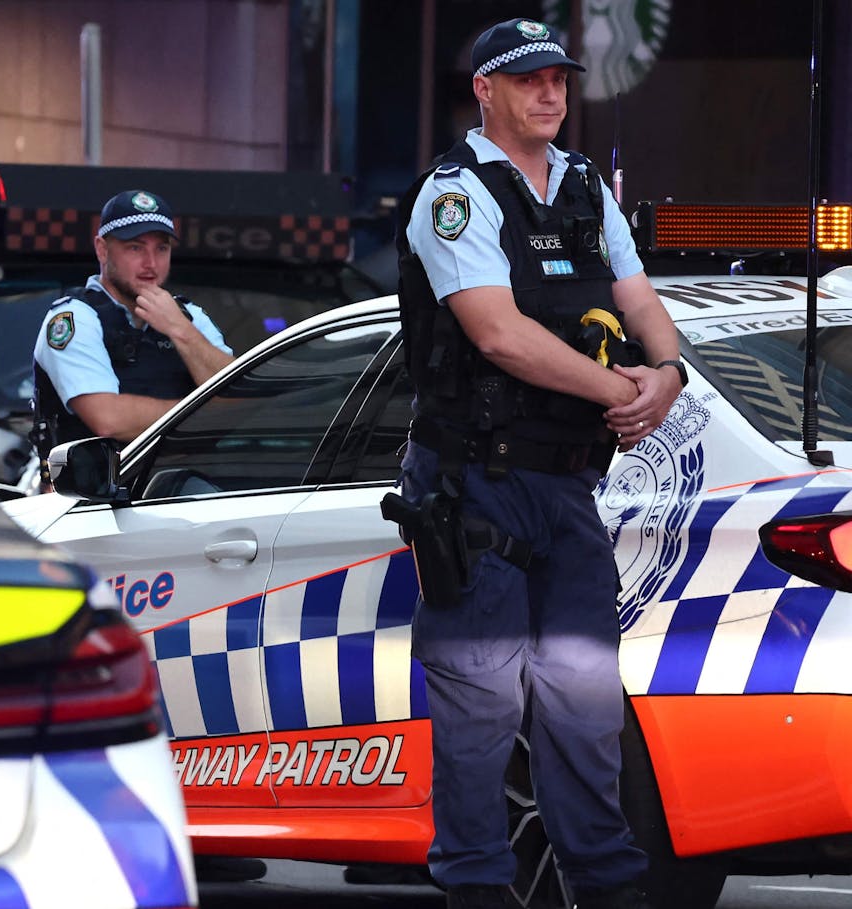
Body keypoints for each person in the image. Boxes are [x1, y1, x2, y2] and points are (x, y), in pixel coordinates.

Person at [391, 17, 685, 909]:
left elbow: (639, 299)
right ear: (485, 90)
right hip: (476, 483)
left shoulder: (586, 187)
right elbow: (499, 334)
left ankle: (607, 890)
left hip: (565, 487)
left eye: (559, 77)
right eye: (528, 80)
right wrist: (618, 394)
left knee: (587, 714)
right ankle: (479, 892)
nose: (551, 92)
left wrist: (666, 374)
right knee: (480, 716)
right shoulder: (455, 193)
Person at [30, 189, 234, 467]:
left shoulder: (188, 317)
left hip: (180, 486)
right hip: (96, 500)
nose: (151, 263)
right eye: (135, 247)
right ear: (102, 249)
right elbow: (109, 420)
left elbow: (236, 397)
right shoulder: (75, 318)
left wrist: (180, 330)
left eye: (161, 248)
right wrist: (205, 414)